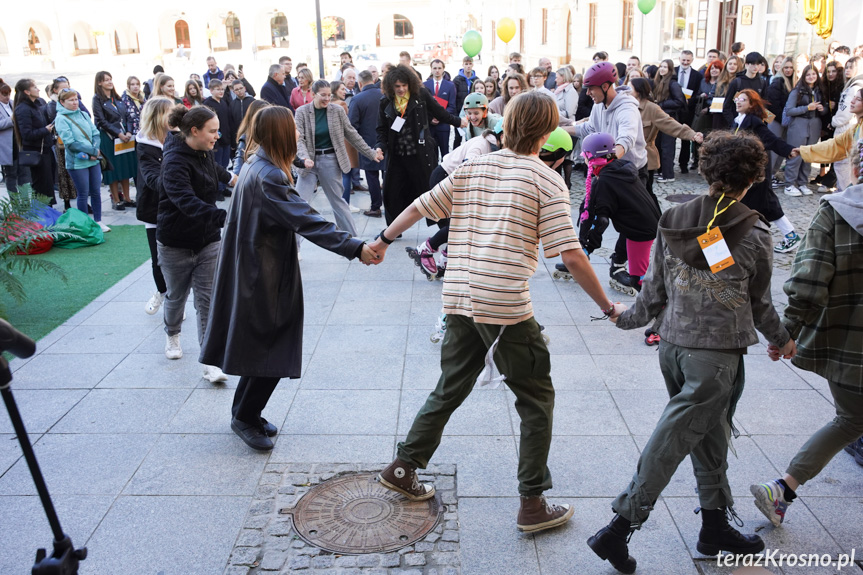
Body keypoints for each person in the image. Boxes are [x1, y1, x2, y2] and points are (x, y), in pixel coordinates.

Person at [369, 91, 623, 532]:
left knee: (450, 386)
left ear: (506, 126)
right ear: (548, 133)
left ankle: (402, 467)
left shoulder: (475, 166)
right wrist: (608, 306)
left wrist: (383, 241)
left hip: (459, 298)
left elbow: (419, 205)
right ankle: (532, 505)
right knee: (537, 400)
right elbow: (571, 254)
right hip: (504, 306)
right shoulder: (547, 179)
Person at [589, 131, 795, 573]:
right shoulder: (756, 231)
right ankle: (618, 527)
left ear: (706, 171)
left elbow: (653, 292)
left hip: (674, 348)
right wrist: (783, 339)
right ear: (755, 177)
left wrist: (624, 318)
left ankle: (715, 525)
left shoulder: (676, 218)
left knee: (710, 433)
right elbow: (760, 304)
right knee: (674, 438)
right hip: (715, 357)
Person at [199, 106, 379, 451]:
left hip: (255, 267)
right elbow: (309, 221)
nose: (298, 136)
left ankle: (245, 411)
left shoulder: (259, 164)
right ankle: (245, 417)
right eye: (293, 131)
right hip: (261, 274)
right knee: (274, 346)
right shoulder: (270, 176)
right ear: (280, 135)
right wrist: (356, 247)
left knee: (266, 345)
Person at [749, 149, 863, 528]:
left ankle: (783, 487)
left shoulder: (837, 212)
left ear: (858, 167)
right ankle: (783, 487)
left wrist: (787, 333)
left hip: (850, 348)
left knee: (849, 419)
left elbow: (810, 281)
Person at [157, 105, 236, 382]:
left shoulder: (203, 152)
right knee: (176, 296)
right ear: (194, 131)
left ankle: (210, 361)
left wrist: (237, 179)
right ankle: (173, 335)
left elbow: (215, 169)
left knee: (207, 300)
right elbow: (185, 201)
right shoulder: (174, 160)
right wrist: (222, 217)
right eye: (212, 131)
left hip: (207, 241)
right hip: (175, 242)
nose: (218, 135)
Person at [557, 131, 662, 297]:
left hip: (641, 231)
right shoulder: (620, 168)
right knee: (638, 268)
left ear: (590, 158)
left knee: (639, 278)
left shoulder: (605, 181)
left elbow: (601, 220)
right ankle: (616, 267)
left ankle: (659, 308)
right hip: (643, 224)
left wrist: (589, 245)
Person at [409, 124, 506, 280]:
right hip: (446, 178)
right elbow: (466, 169)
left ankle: (443, 263)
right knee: (459, 226)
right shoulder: (482, 144)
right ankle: (424, 250)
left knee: (460, 227)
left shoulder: (495, 147)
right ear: (502, 135)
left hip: (454, 180)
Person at [375, 65, 467, 225]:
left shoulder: (421, 95)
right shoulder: (386, 101)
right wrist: (380, 147)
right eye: (397, 86)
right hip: (397, 156)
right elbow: (381, 129)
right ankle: (392, 230)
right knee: (392, 193)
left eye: (404, 85)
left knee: (431, 191)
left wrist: (459, 122)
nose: (401, 89)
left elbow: (440, 112)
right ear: (391, 86)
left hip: (420, 153)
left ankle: (444, 228)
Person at [295, 80, 383, 231]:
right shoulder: (302, 112)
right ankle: (294, 248)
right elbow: (299, 138)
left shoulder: (337, 110)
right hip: (308, 162)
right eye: (323, 95)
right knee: (299, 204)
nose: (327, 98)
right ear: (313, 94)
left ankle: (352, 241)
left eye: (329, 95)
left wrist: (370, 153)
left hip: (330, 160)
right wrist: (303, 158)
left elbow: (351, 134)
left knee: (338, 202)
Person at [732, 89, 802, 253]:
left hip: (756, 170)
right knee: (755, 203)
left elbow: (771, 139)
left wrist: (788, 150)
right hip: (745, 169)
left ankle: (790, 235)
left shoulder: (753, 121)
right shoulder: (738, 120)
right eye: (737, 99)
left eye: (743, 99)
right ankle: (741, 238)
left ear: (751, 104)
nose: (738, 102)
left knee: (764, 202)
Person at [576, 62, 648, 186]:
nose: (587, 93)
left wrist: (603, 161)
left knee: (643, 205)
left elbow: (626, 139)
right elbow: (589, 128)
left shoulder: (627, 108)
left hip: (632, 172)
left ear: (605, 86)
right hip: (609, 169)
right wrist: (558, 129)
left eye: (591, 88)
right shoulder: (598, 104)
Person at [135, 97, 175, 316]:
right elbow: (151, 178)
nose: (174, 116)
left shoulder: (177, 137)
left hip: (177, 208)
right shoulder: (144, 144)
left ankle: (174, 297)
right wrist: (176, 185)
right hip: (154, 209)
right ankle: (163, 293)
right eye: (170, 112)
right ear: (158, 116)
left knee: (179, 256)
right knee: (158, 258)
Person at [629, 78, 702, 199]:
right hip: (627, 158)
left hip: (645, 159)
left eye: (630, 87)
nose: (626, 90)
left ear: (639, 90)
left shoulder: (652, 108)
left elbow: (670, 124)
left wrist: (692, 134)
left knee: (645, 195)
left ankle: (654, 217)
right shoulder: (626, 106)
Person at [54, 89, 108, 232]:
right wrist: (91, 151)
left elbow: (95, 133)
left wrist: (95, 149)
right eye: (71, 100)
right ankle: (84, 224)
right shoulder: (61, 118)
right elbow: (70, 143)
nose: (75, 102)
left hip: (93, 159)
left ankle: (98, 220)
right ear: (62, 102)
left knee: (96, 191)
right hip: (77, 162)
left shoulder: (83, 114)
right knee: (83, 193)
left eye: (76, 99)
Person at [783, 64, 828, 197]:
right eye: (808, 74)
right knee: (796, 153)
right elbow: (789, 110)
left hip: (815, 124)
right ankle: (789, 184)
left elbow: (825, 109)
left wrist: (822, 109)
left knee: (808, 155)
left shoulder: (820, 91)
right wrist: (807, 108)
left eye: (813, 74)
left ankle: (802, 183)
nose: (811, 77)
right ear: (804, 76)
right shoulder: (797, 91)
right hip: (799, 123)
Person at [349, 70, 386, 218]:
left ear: (360, 83)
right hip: (385, 142)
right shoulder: (385, 96)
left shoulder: (357, 99)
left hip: (367, 143)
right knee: (387, 175)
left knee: (372, 176)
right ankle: (390, 207)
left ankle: (375, 206)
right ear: (373, 79)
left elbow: (352, 125)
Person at [13, 78, 55, 203]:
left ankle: (48, 213)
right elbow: (26, 134)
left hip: (45, 149)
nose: (38, 89)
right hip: (36, 152)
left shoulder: (37, 104)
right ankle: (42, 215)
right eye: (35, 87)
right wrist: (45, 130)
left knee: (48, 184)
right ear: (27, 91)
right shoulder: (23, 109)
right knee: (41, 185)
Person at [831, 57, 862, 190]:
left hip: (845, 126)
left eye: (851, 67)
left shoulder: (855, 88)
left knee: (843, 168)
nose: (848, 70)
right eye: (846, 67)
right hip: (847, 127)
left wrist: (834, 121)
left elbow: (845, 112)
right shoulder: (852, 85)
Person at [329, 80, 361, 209]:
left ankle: (341, 203)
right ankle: (345, 204)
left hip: (333, 141)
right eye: (342, 89)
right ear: (335, 90)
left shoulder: (329, 104)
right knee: (346, 173)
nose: (345, 91)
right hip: (344, 142)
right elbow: (348, 125)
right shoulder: (342, 104)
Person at [652, 59, 686, 183]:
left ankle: (668, 174)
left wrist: (661, 104)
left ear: (670, 69)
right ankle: (661, 171)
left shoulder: (673, 84)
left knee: (667, 147)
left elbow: (679, 101)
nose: (662, 69)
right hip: (660, 118)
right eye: (661, 66)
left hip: (669, 118)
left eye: (665, 67)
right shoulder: (658, 82)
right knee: (659, 145)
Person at [766, 57, 795, 186]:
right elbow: (772, 105)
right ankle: (768, 175)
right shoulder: (778, 82)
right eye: (786, 67)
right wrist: (782, 119)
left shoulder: (793, 82)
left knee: (781, 150)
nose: (788, 70)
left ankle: (772, 174)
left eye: (790, 67)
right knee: (773, 150)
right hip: (776, 120)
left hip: (785, 121)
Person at [203, 80, 233, 195]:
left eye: (222, 89)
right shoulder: (208, 104)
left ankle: (223, 186)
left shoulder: (224, 102)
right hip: (216, 141)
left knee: (224, 165)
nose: (220, 91)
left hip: (226, 139)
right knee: (217, 165)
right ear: (211, 91)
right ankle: (217, 189)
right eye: (217, 89)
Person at [676, 50, 704, 173]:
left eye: (688, 60)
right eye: (683, 60)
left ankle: (683, 164)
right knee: (670, 137)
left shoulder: (697, 75)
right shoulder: (673, 71)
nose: (685, 62)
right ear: (679, 59)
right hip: (675, 109)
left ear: (692, 60)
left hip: (689, 110)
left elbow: (698, 92)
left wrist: (690, 101)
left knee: (687, 138)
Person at [424, 59, 457, 160]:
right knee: (431, 155)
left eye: (439, 68)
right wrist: (430, 119)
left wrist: (441, 117)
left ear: (443, 69)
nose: (437, 70)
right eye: (434, 68)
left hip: (443, 125)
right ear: (431, 69)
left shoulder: (450, 86)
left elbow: (452, 106)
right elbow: (423, 106)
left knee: (445, 154)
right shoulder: (425, 85)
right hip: (430, 127)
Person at [0, 81, 30, 194]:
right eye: (4, 94)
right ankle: (15, 202)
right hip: (7, 146)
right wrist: (11, 119)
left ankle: (25, 199)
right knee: (11, 174)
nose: (7, 97)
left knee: (23, 172)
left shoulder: (13, 103)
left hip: (18, 143)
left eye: (8, 94)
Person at [232, 99, 269, 176]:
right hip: (254, 177)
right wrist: (237, 175)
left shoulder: (270, 133)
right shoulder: (246, 136)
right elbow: (239, 157)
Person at [452, 56, 478, 149]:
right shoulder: (457, 80)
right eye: (466, 64)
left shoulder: (476, 79)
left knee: (471, 137)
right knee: (457, 137)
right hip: (459, 113)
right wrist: (455, 114)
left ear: (472, 64)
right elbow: (453, 98)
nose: (468, 66)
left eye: (470, 63)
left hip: (472, 113)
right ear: (463, 65)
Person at [713, 56, 741, 130]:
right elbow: (712, 95)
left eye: (735, 64)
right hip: (718, 114)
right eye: (730, 63)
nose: (732, 66)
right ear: (726, 65)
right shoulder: (719, 79)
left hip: (732, 114)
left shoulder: (740, 81)